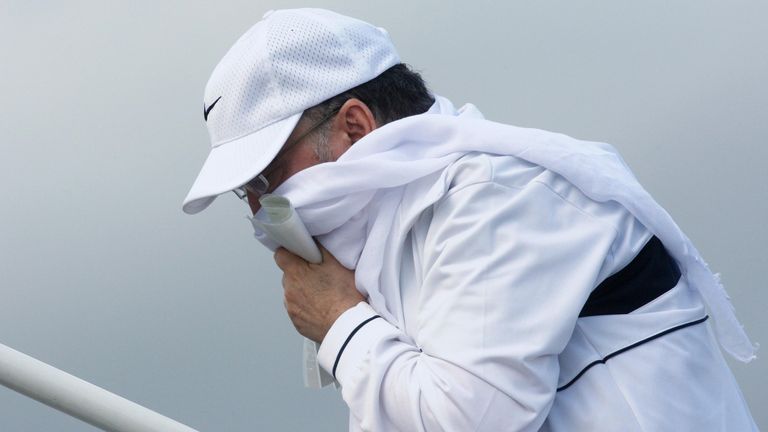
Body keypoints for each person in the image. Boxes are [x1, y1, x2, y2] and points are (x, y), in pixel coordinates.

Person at [182, 8, 757, 431]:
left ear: (355, 127)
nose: (261, 209)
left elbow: (474, 421)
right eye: (243, 192)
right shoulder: (404, 234)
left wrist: (339, 323)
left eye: (265, 176)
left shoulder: (495, 197)